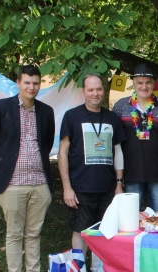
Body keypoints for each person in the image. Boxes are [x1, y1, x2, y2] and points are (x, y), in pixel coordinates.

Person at [0, 65, 55, 272]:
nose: (31, 87)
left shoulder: (46, 111)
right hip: (12, 183)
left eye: (35, 83)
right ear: (18, 82)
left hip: (39, 183)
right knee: (14, 234)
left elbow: (46, 145)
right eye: (27, 82)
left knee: (34, 233)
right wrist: (3, 165)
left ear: (39, 84)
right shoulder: (1, 108)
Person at [58, 75, 126, 253]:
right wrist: (67, 188)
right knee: (80, 230)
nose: (95, 93)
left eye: (98, 89)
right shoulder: (72, 116)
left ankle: (98, 270)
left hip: (107, 187)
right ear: (84, 92)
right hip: (80, 187)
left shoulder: (112, 118)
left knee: (104, 230)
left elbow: (118, 151)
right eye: (91, 90)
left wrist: (119, 183)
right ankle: (79, 271)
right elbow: (63, 152)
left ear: (103, 90)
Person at [112, 64, 158, 211]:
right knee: (130, 221)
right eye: (140, 82)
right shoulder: (121, 106)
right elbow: (114, 143)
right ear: (133, 83)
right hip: (130, 175)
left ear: (153, 84)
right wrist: (118, 179)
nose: (144, 86)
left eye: (147, 82)